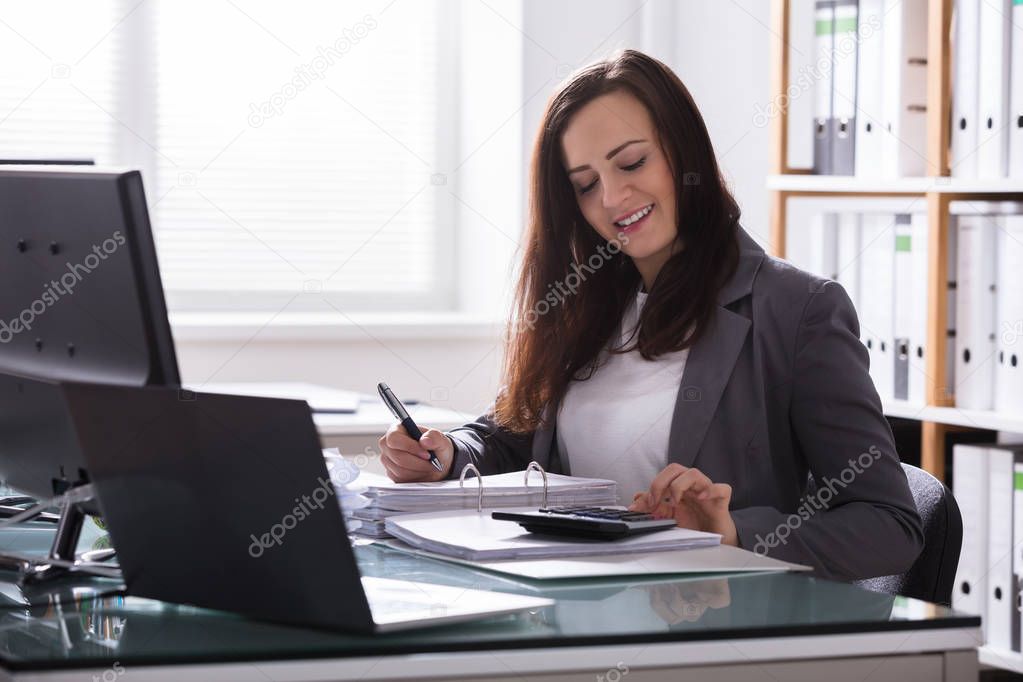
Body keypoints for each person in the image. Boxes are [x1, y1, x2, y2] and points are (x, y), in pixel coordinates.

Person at [378, 49, 923, 581]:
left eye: (633, 162)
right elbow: (512, 435)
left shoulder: (798, 309)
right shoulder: (584, 304)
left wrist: (732, 533)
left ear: (684, 153)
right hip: (570, 617)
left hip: (704, 636)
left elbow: (889, 525)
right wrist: (447, 453)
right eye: (586, 185)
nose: (613, 197)